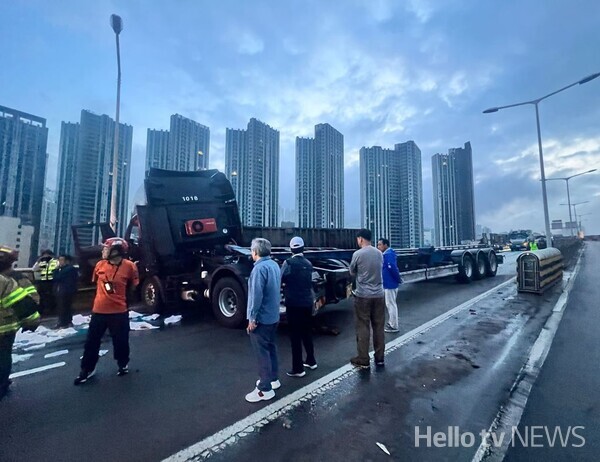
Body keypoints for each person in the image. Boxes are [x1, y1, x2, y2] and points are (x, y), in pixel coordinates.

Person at [74, 238, 139, 385]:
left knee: (121, 340)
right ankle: (87, 369)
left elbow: (133, 286)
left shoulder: (129, 267)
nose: (103, 251)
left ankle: (122, 363)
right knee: (91, 342)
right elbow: (93, 281)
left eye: (106, 248)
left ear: (117, 251)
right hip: (99, 311)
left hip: (119, 311)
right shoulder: (99, 265)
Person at [0, 245, 40, 400]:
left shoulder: (16, 278)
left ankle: (3, 384)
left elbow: (30, 300)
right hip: (7, 326)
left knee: (3, 358)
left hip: (6, 327)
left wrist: (29, 320)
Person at [245, 238, 281, 403]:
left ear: (255, 252)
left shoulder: (258, 269)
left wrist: (252, 318)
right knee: (270, 348)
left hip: (262, 318)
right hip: (273, 316)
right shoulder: (274, 265)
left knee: (262, 352)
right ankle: (273, 379)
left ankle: (264, 389)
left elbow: (256, 296)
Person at [349, 229, 386, 369]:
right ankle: (380, 358)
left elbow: (352, 271)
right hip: (379, 295)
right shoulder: (379, 254)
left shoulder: (358, 254)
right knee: (379, 327)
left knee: (363, 326)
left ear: (360, 239)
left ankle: (363, 358)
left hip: (363, 295)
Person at [281, 236, 317, 378]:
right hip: (307, 302)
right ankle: (311, 360)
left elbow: (280, 278)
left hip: (294, 303)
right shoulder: (308, 264)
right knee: (306, 332)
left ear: (291, 249)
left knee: (295, 336)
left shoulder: (288, 263)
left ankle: (298, 368)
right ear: (303, 248)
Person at [376, 238, 402, 333]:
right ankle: (392, 323)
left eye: (380, 245)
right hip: (389, 283)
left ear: (385, 245)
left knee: (391, 305)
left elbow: (392, 268)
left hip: (390, 283)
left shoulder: (388, 254)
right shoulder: (386, 254)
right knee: (390, 304)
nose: (378, 247)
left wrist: (397, 279)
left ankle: (393, 325)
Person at [52, 255, 79, 329]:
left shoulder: (70, 269)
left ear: (67, 261)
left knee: (64, 307)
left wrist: (57, 270)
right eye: (59, 260)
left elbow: (58, 277)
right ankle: (65, 321)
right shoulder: (61, 269)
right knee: (62, 307)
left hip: (66, 291)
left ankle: (64, 322)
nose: (60, 262)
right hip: (61, 290)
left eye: (61, 260)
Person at [32, 249, 59, 315]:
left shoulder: (55, 262)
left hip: (51, 281)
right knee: (41, 296)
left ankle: (51, 310)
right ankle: (42, 310)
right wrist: (39, 261)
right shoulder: (41, 261)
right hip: (43, 281)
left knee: (51, 296)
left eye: (47, 255)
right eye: (44, 255)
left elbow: (58, 268)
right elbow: (34, 269)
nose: (46, 256)